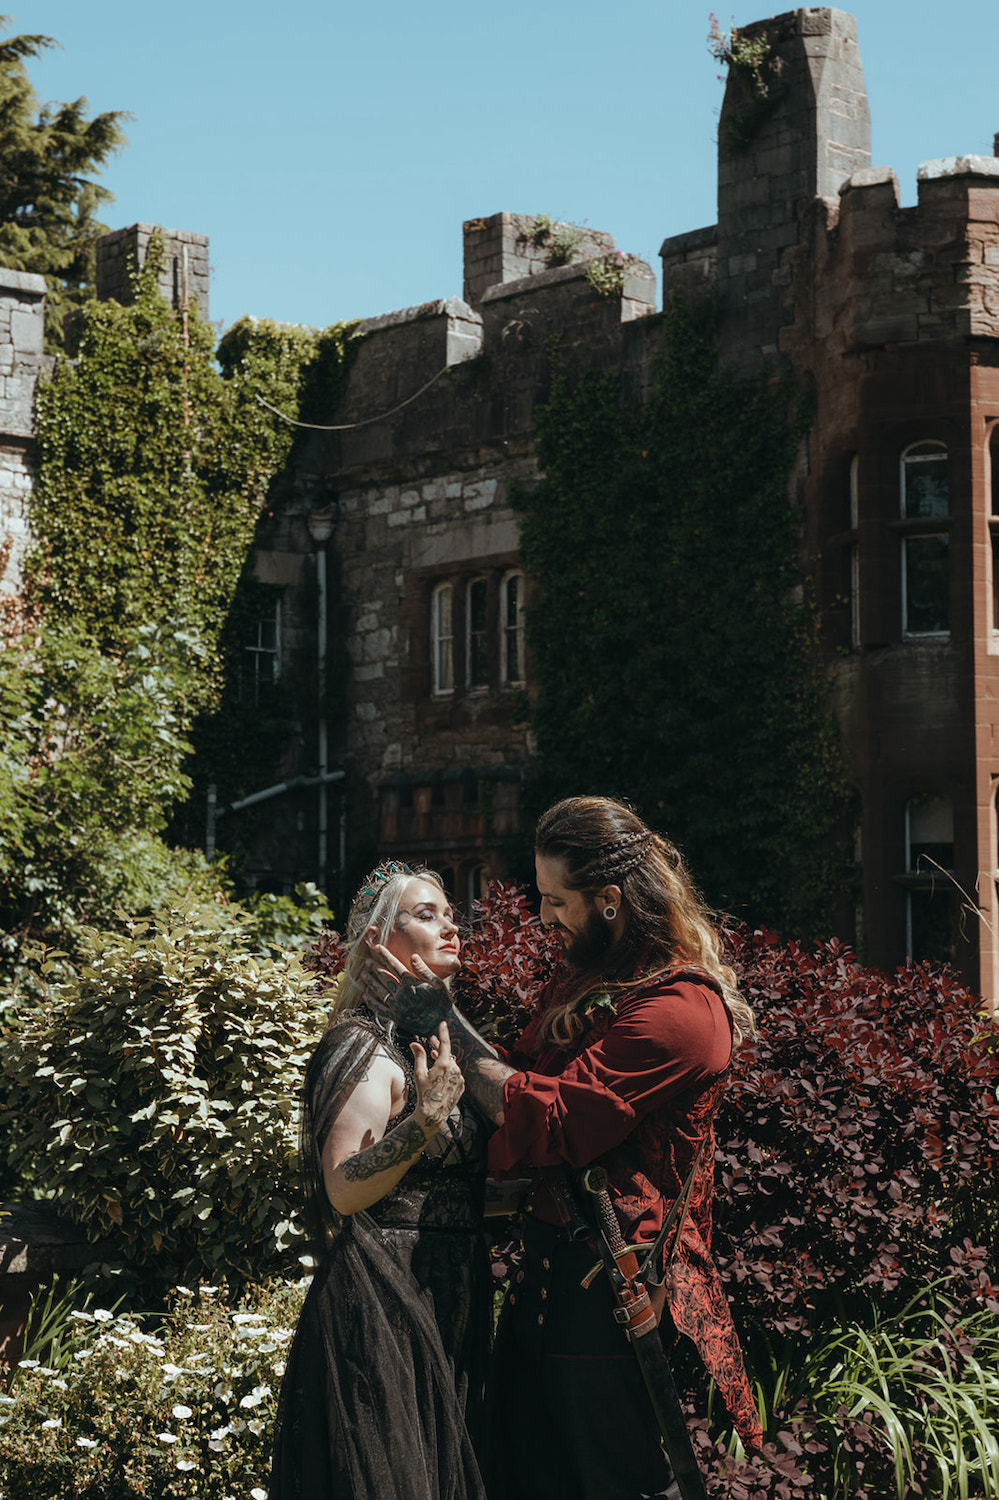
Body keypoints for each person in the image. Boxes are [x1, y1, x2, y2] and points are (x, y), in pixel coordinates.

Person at [367, 797, 765, 1500]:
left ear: (608, 899)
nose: (543, 916)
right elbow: (515, 1080)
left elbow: (549, 1121)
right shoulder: (591, 976)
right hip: (549, 1279)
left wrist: (436, 1013)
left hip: (612, 1295)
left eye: (555, 900)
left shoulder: (681, 1012)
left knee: (613, 1484)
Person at [269, 862, 490, 1500]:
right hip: (382, 1311)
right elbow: (343, 1187)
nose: (450, 925)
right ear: (376, 941)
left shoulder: (428, 1040)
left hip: (447, 1301)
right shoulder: (363, 1048)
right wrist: (424, 1121)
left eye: (451, 913)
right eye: (426, 914)